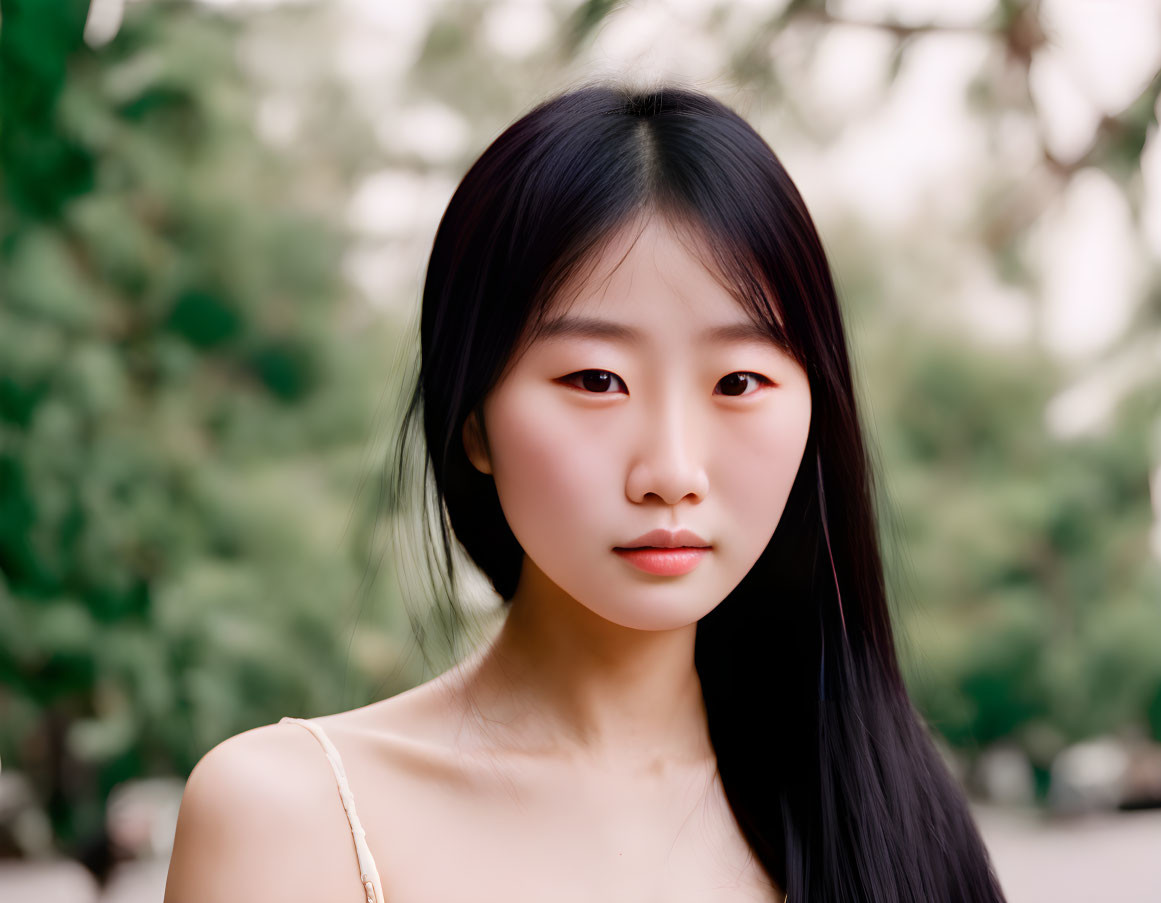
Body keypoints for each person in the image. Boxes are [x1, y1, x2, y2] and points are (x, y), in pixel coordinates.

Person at [163, 80, 1008, 903]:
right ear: (474, 424)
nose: (672, 472)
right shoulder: (296, 818)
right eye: (597, 379)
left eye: (739, 380)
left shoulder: (884, 817)